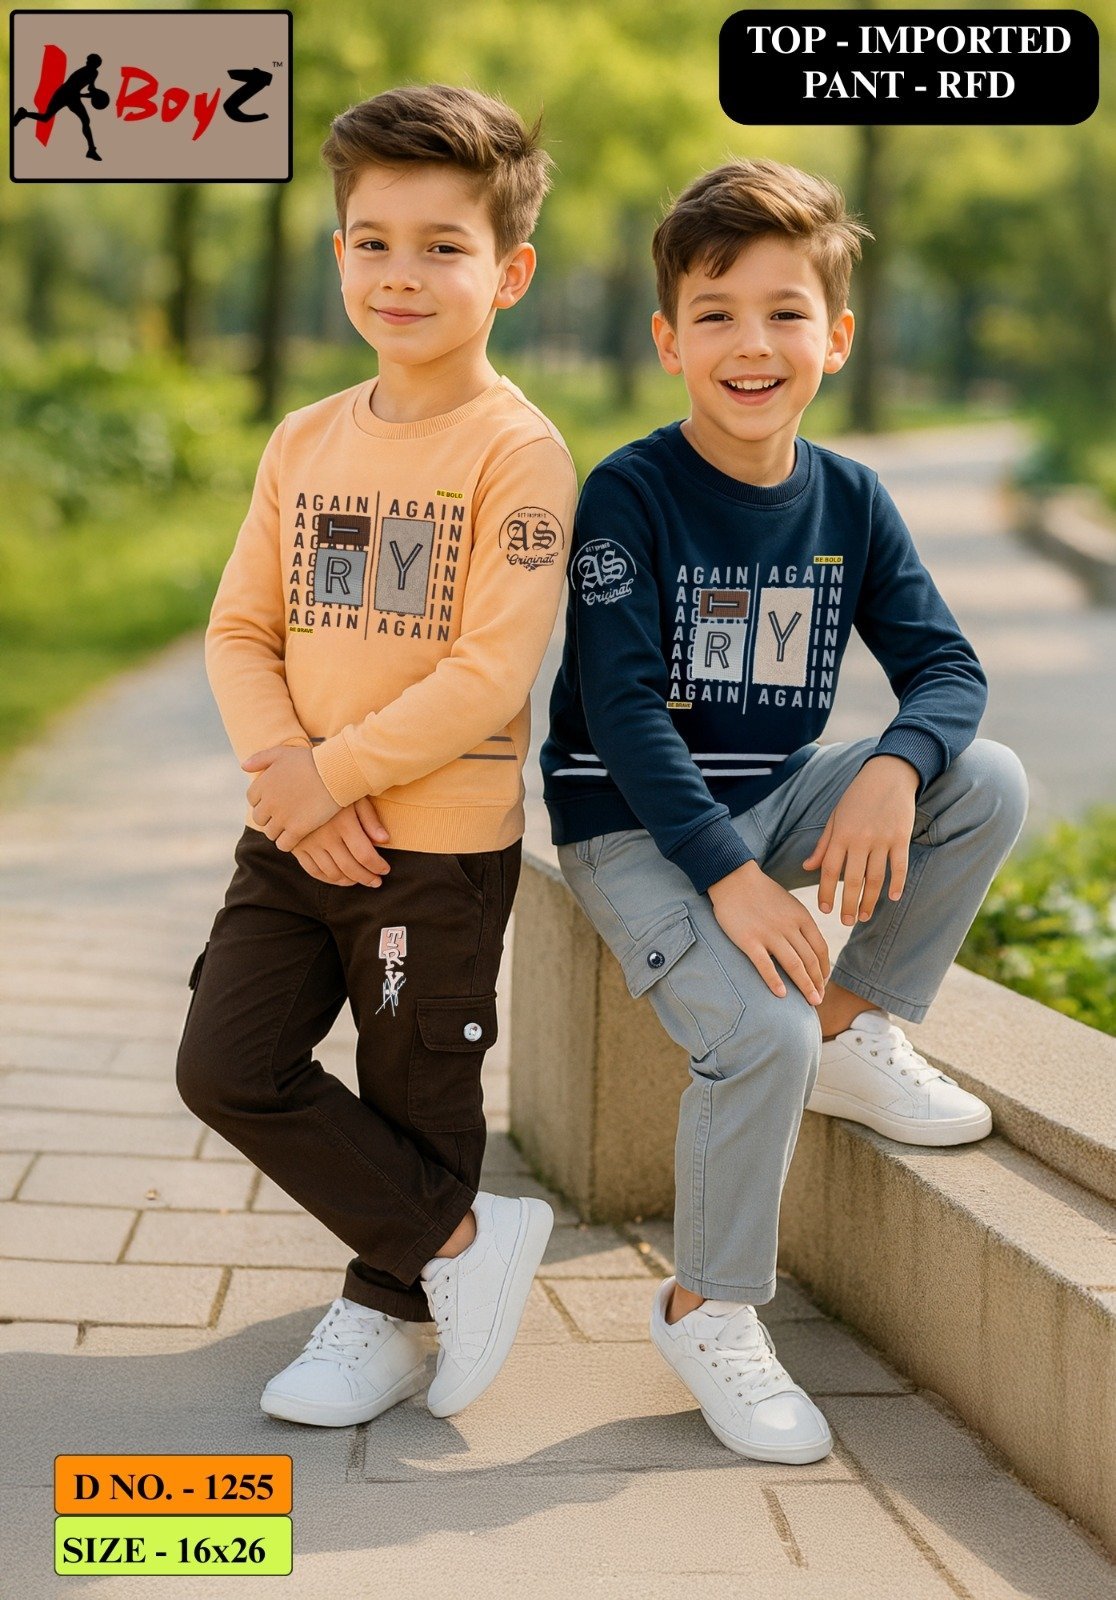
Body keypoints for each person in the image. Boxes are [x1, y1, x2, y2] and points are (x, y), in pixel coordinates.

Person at [541, 159, 1027, 1465]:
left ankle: (853, 1028)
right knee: (758, 1033)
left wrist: (892, 767)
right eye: (716, 314)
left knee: (982, 778)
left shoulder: (850, 498)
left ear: (837, 336)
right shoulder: (631, 494)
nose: (752, 344)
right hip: (633, 829)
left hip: (771, 797)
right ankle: (706, 1309)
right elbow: (623, 712)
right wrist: (731, 878)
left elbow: (949, 670)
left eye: (784, 312)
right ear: (669, 341)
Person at [177, 84, 577, 1429]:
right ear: (337, 251)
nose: (400, 273)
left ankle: (390, 1313)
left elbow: (489, 674)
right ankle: (462, 1241)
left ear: (510, 271)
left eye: (443, 245)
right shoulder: (305, 439)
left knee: (417, 1091)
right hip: (294, 830)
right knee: (227, 1065)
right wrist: (290, 778)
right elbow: (241, 630)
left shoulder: (519, 454)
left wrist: (329, 778)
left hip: (435, 853)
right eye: (372, 241)